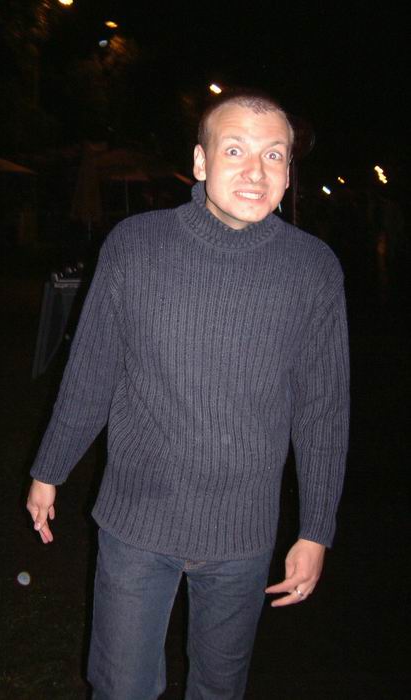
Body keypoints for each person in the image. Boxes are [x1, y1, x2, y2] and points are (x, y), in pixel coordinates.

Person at [27, 88, 350, 700]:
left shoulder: (313, 270)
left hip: (242, 534)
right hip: (136, 523)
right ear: (201, 162)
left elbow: (323, 412)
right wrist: (50, 469)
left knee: (219, 689)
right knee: (121, 688)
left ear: (288, 173)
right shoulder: (135, 246)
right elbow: (92, 370)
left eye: (273, 155)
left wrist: (316, 529)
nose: (255, 171)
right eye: (235, 150)